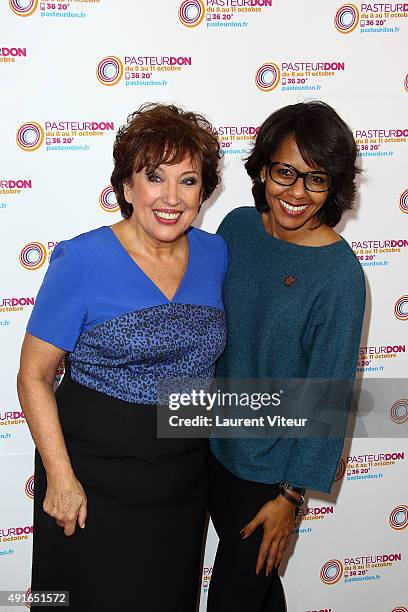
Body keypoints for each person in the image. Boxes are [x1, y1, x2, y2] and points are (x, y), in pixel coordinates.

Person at [17, 102, 228, 612]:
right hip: (89, 480)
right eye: (155, 177)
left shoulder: (216, 254)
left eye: (189, 180)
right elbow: (34, 376)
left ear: (204, 192)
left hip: (180, 480)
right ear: (127, 185)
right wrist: (62, 479)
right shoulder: (82, 259)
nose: (171, 197)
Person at [207, 101, 366, 611]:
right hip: (205, 445)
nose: (297, 193)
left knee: (235, 596)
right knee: (255, 593)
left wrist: (290, 498)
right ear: (263, 170)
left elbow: (330, 391)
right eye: (285, 173)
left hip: (267, 472)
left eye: (315, 180)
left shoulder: (339, 274)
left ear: (333, 187)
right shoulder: (236, 228)